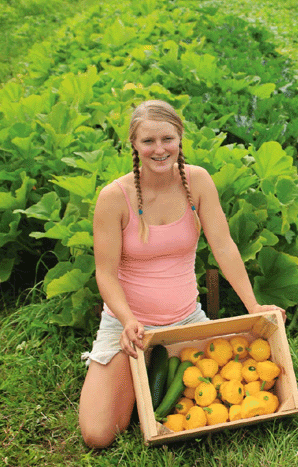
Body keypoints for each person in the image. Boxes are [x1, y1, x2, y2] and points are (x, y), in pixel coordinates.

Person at [79, 100, 286, 448]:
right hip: (130, 328)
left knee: (226, 403)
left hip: (186, 322)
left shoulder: (197, 182)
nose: (159, 150)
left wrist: (253, 306)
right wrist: (128, 320)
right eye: (148, 141)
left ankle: (142, 378)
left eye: (167, 139)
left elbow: (224, 248)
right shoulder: (113, 197)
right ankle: (123, 370)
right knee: (98, 435)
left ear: (179, 138)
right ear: (133, 143)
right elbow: (106, 274)